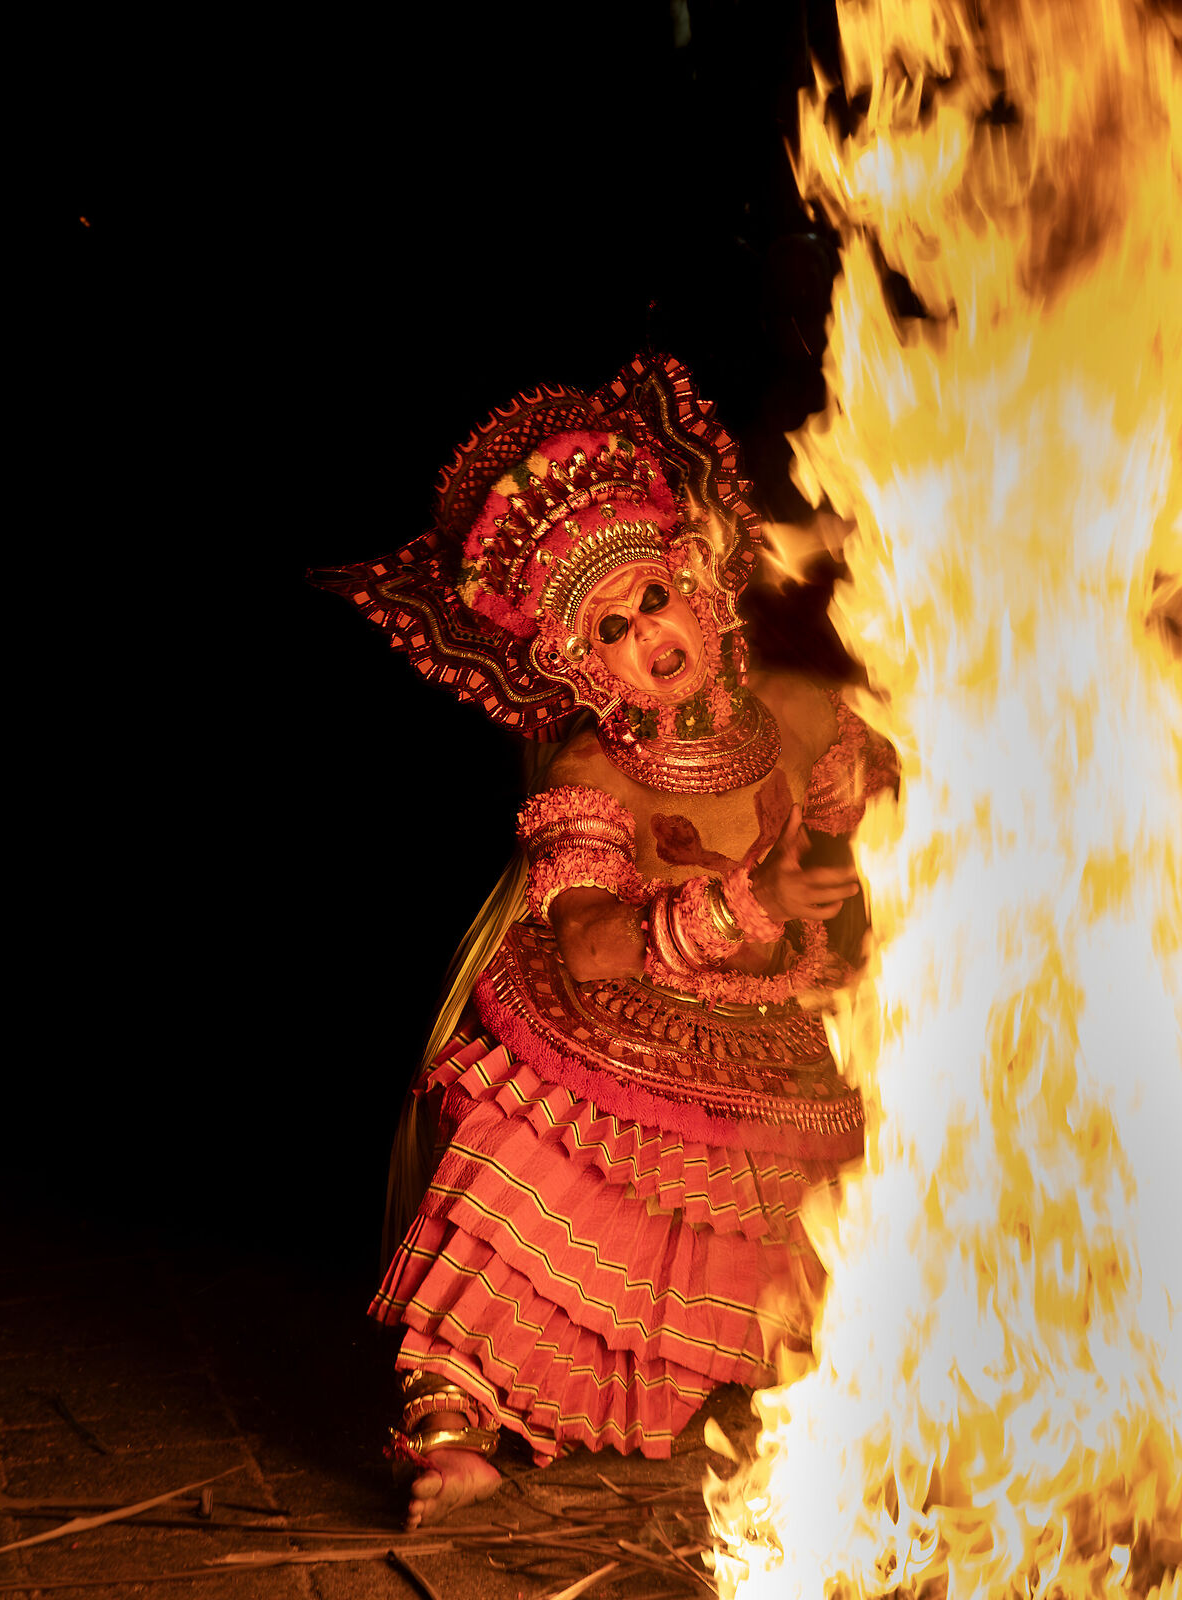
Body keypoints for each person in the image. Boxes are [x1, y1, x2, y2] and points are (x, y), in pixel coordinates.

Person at [312, 353, 893, 1527]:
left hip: (787, 1044)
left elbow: (887, 820)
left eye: (654, 598)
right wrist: (744, 907)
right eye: (612, 628)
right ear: (583, 661)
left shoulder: (799, 712)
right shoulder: (594, 771)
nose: (648, 634)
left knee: (877, 1244)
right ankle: (453, 1430)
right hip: (618, 1045)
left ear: (700, 583)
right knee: (518, 1178)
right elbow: (584, 945)